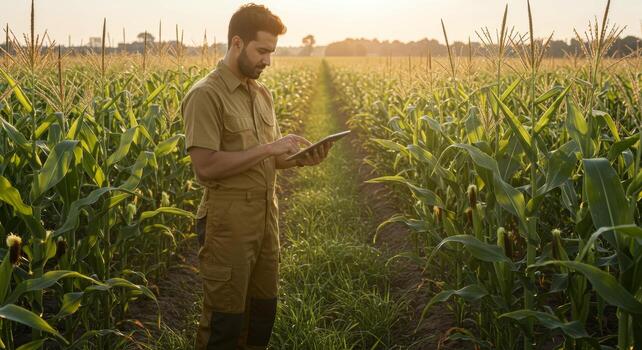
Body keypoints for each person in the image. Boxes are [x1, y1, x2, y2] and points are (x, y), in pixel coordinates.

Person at [181, 3, 333, 349]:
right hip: (227, 221)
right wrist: (269, 149)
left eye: (272, 52)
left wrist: (298, 160)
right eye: (262, 50)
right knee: (225, 322)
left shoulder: (262, 94)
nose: (268, 60)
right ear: (237, 43)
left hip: (267, 217)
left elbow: (264, 161)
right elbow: (205, 167)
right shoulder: (206, 94)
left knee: (263, 314)